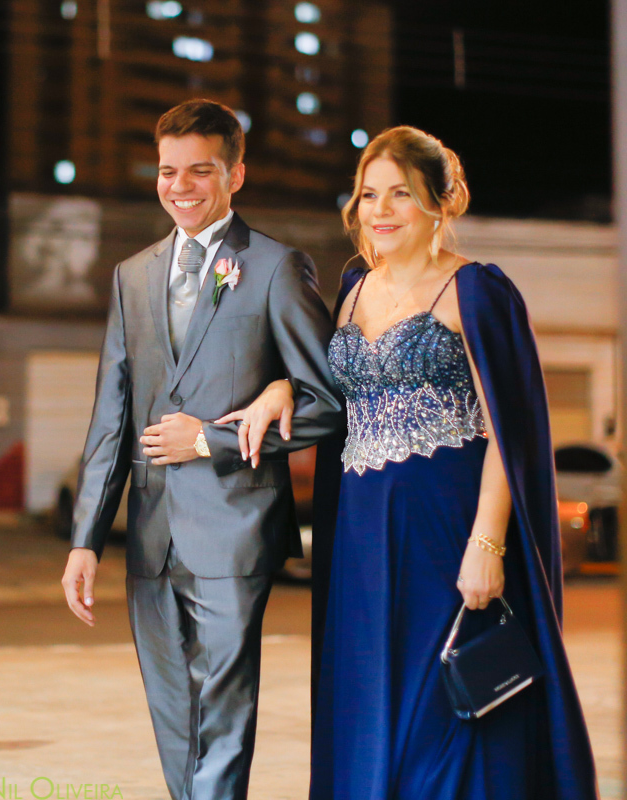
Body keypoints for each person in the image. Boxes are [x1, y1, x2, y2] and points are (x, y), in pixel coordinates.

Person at [248, 126, 599, 798]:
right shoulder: (351, 291)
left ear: (440, 201)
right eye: (368, 194)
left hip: (446, 534)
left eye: (400, 194)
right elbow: (318, 383)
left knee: (449, 712)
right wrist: (278, 387)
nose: (379, 210)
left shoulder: (477, 292)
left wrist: (487, 544)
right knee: (367, 705)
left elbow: (511, 434)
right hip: (360, 539)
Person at [60, 99, 344, 800]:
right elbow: (111, 416)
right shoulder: (133, 274)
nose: (180, 186)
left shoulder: (277, 267)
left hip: (234, 528)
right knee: (174, 716)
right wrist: (85, 539)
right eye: (167, 171)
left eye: (200, 170)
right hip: (151, 537)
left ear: (235, 173)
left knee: (219, 712)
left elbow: (329, 403)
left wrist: (212, 439)